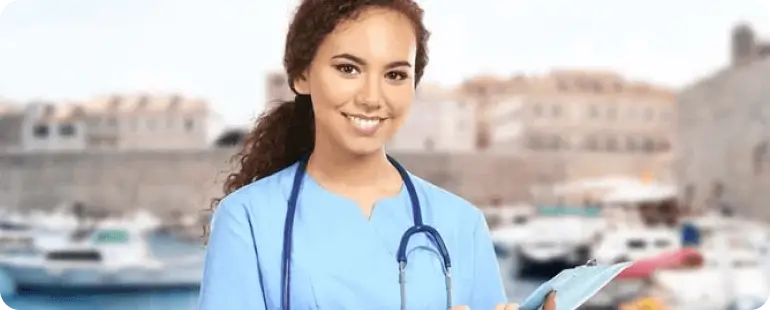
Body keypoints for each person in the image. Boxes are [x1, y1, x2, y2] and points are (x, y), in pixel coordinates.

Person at [197, 0, 557, 309]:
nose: (372, 97)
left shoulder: (463, 225)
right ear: (302, 75)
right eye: (348, 69)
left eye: (396, 75)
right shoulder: (247, 220)